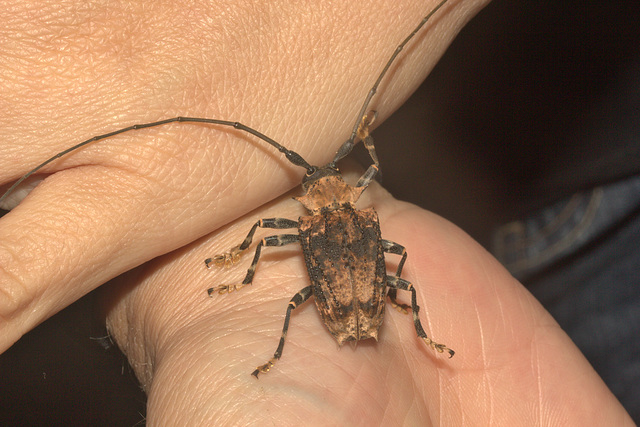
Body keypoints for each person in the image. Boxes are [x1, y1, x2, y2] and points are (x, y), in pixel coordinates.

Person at [0, 0, 634, 424]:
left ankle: (314, 315)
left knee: (287, 270)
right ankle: (414, 330)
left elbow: (284, 229)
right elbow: (378, 198)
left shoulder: (308, 223)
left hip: (351, 297)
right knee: (387, 277)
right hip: (376, 287)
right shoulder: (356, 217)